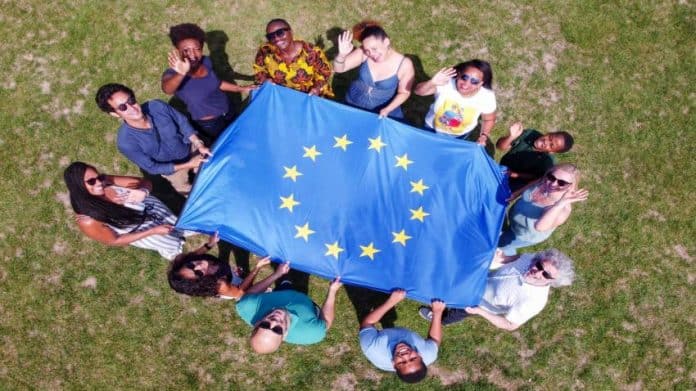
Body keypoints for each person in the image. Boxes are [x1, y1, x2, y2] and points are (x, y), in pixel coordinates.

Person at [95, 83, 211, 214]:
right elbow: (152, 167)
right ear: (115, 114)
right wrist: (188, 165)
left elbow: (182, 122)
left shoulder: (157, 106)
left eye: (131, 100)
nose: (132, 108)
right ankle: (206, 207)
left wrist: (198, 143)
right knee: (189, 192)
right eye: (123, 107)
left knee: (213, 166)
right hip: (172, 169)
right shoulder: (126, 142)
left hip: (190, 147)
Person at [419, 249, 574, 330]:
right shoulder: (529, 259)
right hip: (478, 281)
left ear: (553, 282)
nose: (537, 271)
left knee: (455, 313)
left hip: (477, 304)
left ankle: (439, 318)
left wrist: (479, 312)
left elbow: (510, 325)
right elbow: (510, 259)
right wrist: (502, 257)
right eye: (539, 266)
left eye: (545, 274)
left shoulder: (534, 301)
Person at [63, 161, 185, 260]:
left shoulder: (105, 181)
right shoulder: (88, 220)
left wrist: (143, 191)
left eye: (98, 177)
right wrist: (153, 231)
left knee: (189, 226)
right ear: (78, 186)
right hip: (152, 234)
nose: (99, 182)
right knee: (178, 251)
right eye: (91, 181)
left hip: (164, 214)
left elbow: (144, 182)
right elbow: (115, 240)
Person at [162, 23, 256, 144]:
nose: (192, 54)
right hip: (211, 124)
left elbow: (216, 83)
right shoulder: (173, 75)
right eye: (186, 50)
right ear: (177, 51)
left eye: (197, 49)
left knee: (239, 130)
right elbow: (167, 89)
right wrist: (181, 73)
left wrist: (240, 89)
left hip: (227, 108)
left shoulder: (205, 61)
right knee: (226, 142)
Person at [236, 263, 342, 353]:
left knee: (285, 280)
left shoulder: (246, 306)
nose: (274, 321)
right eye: (277, 330)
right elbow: (326, 322)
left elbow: (251, 293)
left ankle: (286, 280)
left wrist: (276, 274)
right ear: (285, 335)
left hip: (281, 293)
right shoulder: (311, 332)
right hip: (307, 306)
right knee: (301, 288)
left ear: (257, 323)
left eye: (265, 324)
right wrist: (332, 291)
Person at [498, 163, 589, 255]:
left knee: (501, 244)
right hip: (514, 218)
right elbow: (531, 185)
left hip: (522, 234)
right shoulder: (545, 181)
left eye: (562, 183)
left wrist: (559, 204)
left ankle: (507, 258)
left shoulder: (563, 209)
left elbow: (540, 226)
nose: (553, 183)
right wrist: (515, 194)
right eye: (552, 177)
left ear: (570, 186)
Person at [359, 289, 445, 384]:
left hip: (380, 340)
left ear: (393, 364)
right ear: (420, 356)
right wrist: (437, 313)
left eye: (401, 362)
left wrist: (392, 301)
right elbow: (435, 339)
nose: (405, 356)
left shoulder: (373, 348)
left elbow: (367, 323)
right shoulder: (429, 354)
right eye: (412, 359)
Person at [333, 21, 415, 119]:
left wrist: (387, 109)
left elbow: (404, 93)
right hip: (352, 102)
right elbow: (339, 69)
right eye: (368, 50)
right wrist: (342, 55)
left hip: (381, 109)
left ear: (386, 42)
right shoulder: (364, 53)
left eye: (374, 49)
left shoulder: (404, 64)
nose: (371, 54)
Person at [414, 59, 497, 155]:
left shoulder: (487, 97)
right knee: (423, 152)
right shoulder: (447, 83)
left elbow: (489, 120)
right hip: (431, 128)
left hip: (458, 137)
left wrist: (483, 135)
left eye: (474, 81)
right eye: (464, 77)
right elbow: (418, 91)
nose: (466, 84)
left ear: (481, 83)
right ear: (459, 74)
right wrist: (432, 82)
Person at [253, 19, 334, 97]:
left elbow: (324, 73)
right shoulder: (266, 50)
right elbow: (259, 68)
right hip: (281, 94)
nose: (276, 39)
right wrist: (265, 80)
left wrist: (317, 88)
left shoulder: (311, 52)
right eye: (271, 36)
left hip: (309, 95)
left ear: (291, 32)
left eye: (280, 33)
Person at [168, 242, 273, 299]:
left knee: (237, 275)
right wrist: (257, 267)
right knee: (248, 289)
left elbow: (195, 255)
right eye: (198, 273)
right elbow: (240, 292)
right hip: (234, 288)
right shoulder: (220, 284)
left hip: (228, 274)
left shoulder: (190, 259)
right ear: (203, 280)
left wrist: (210, 244)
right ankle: (262, 292)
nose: (198, 265)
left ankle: (237, 275)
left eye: (191, 265)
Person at [496, 122, 575, 192]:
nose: (546, 142)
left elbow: (536, 178)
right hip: (501, 167)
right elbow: (499, 146)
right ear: (549, 133)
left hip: (514, 183)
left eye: (551, 145)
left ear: (552, 152)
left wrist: (515, 174)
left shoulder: (547, 162)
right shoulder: (530, 134)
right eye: (550, 138)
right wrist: (511, 137)